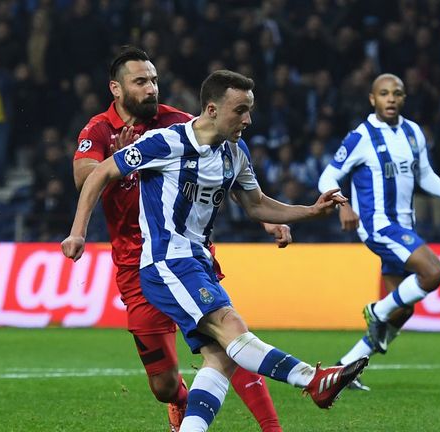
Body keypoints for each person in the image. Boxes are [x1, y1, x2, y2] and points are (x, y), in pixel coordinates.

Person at [63, 69, 369, 432]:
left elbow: (255, 204)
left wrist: (310, 211)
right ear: (211, 109)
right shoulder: (166, 142)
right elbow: (99, 174)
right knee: (230, 328)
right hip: (166, 262)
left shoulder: (235, 153)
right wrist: (78, 232)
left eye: (250, 110)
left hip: (199, 262)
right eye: (240, 110)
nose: (248, 120)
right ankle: (311, 380)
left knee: (221, 357)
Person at [73, 48, 286, 431]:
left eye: (153, 79)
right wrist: (120, 162)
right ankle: (181, 402)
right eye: (141, 81)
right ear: (116, 89)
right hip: (134, 266)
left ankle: (272, 427)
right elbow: (85, 175)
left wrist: (268, 221)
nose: (151, 87)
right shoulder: (98, 130)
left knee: (226, 340)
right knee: (163, 383)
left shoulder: (178, 123)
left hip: (187, 252)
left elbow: (223, 163)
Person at [318, 73, 440, 390]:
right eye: (384, 93)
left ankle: (343, 372)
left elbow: (424, 174)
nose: (391, 98)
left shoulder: (413, 132)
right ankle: (376, 310)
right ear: (372, 99)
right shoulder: (361, 136)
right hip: (379, 225)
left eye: (397, 93)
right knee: (434, 273)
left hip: (404, 226)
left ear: (403, 98)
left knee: (401, 311)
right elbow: (328, 177)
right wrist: (342, 204)